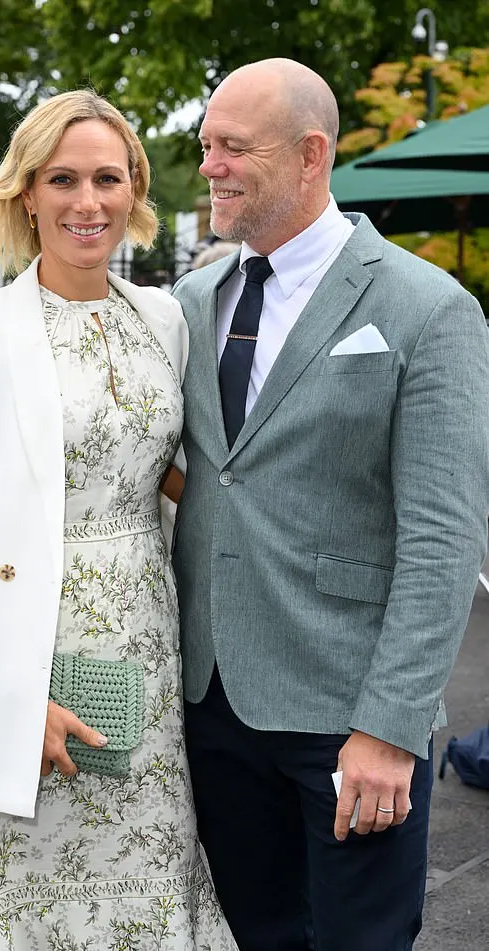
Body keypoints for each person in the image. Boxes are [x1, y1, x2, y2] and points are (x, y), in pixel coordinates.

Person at [0, 89, 236, 950]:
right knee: (22, 905)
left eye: (108, 179)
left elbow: (178, 479)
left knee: (143, 894)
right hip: (14, 665)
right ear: (27, 193)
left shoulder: (166, 321)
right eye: (63, 179)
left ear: (135, 189)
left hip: (146, 659)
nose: (88, 203)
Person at [171, 58, 489, 951]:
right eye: (206, 146)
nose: (210, 167)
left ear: (311, 155)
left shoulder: (430, 308)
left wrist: (389, 728)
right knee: (262, 935)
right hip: (215, 704)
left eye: (233, 147)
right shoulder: (191, 304)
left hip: (351, 716)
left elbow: (442, 536)